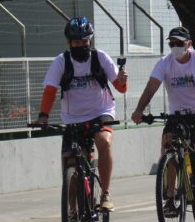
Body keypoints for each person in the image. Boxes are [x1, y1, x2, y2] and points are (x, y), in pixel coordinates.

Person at [36, 16, 128, 211]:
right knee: (69, 159)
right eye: (76, 42)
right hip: (72, 117)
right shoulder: (61, 62)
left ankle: (105, 194)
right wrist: (43, 115)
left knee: (103, 141)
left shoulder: (100, 57)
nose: (81, 45)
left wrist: (122, 79)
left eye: (85, 41)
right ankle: (72, 211)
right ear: (69, 43)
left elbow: (120, 88)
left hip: (101, 111)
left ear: (90, 40)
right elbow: (50, 90)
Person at [131, 26, 195, 200]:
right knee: (168, 146)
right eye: (171, 43)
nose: (175, 46)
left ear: (189, 44)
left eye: (179, 43)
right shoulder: (164, 63)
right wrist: (138, 110)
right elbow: (151, 88)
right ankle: (170, 194)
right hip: (177, 115)